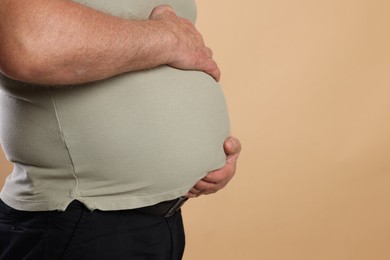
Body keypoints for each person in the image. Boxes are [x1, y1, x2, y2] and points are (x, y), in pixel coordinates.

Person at [0, 0, 241, 259]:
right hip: (78, 218)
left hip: (159, 220)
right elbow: (29, 40)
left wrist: (202, 151)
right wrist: (170, 38)